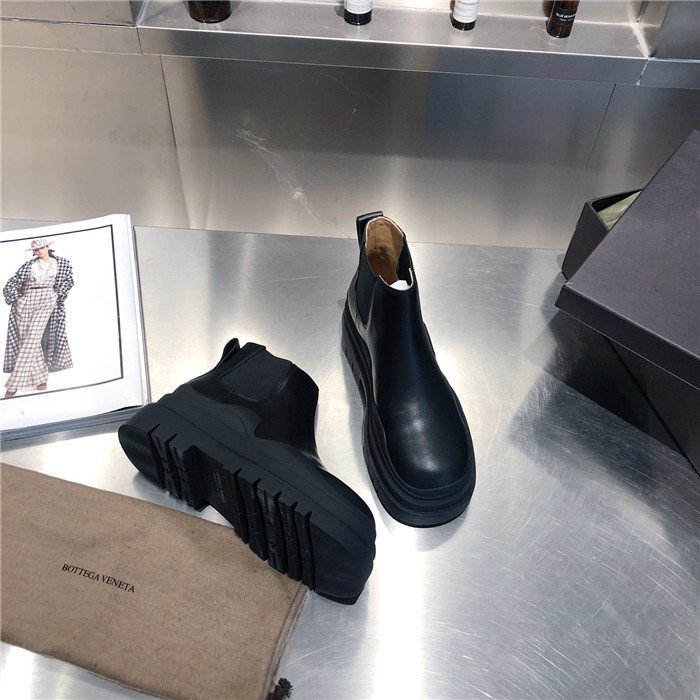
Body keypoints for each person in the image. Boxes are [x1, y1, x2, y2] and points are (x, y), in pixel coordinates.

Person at [3, 237, 74, 398]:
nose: (38, 251)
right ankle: (41, 379)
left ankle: (13, 383)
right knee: (27, 340)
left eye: (41, 248)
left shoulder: (62, 263)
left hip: (47, 298)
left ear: (48, 247)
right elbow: (13, 281)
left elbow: (69, 281)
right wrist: (16, 297)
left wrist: (58, 294)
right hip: (25, 301)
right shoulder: (28, 265)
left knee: (33, 338)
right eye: (35, 249)